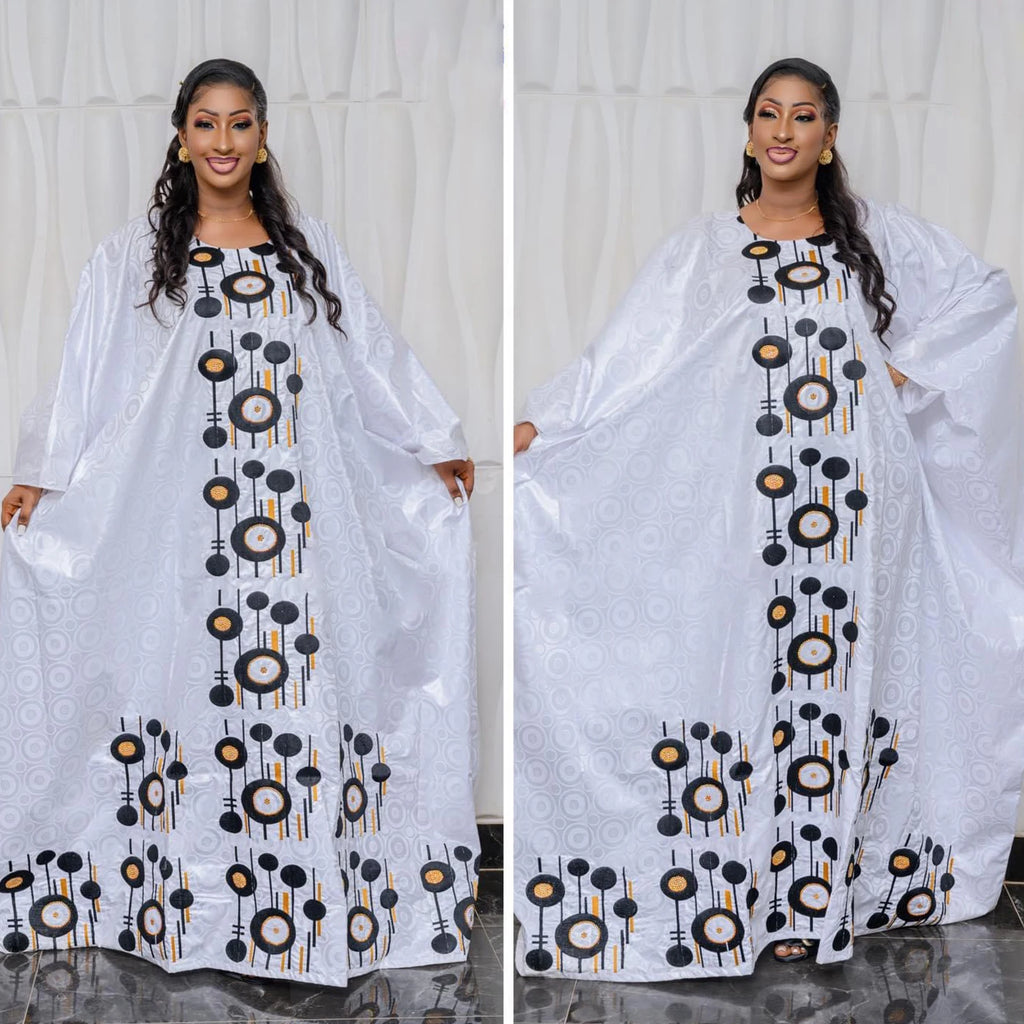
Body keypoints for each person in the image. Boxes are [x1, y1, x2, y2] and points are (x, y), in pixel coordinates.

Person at [514, 57, 1024, 982]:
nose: (784, 130)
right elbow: (624, 361)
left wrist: (899, 371)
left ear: (830, 136)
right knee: (755, 678)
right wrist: (548, 426)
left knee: (834, 686)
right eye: (768, 113)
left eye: (804, 115)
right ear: (749, 131)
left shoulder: (875, 237)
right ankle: (745, 887)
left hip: (857, 504)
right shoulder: (704, 250)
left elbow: (985, 296)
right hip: (748, 508)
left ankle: (814, 901)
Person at [0, 59, 480, 986]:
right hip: (185, 539)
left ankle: (298, 903)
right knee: (191, 690)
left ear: (262, 139)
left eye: (240, 124)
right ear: (181, 138)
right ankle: (187, 899)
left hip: (297, 535)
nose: (223, 141)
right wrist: (41, 476)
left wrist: (433, 440)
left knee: (295, 698)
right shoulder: (136, 260)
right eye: (206, 123)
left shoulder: (307, 252)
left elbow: (368, 356)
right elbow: (87, 377)